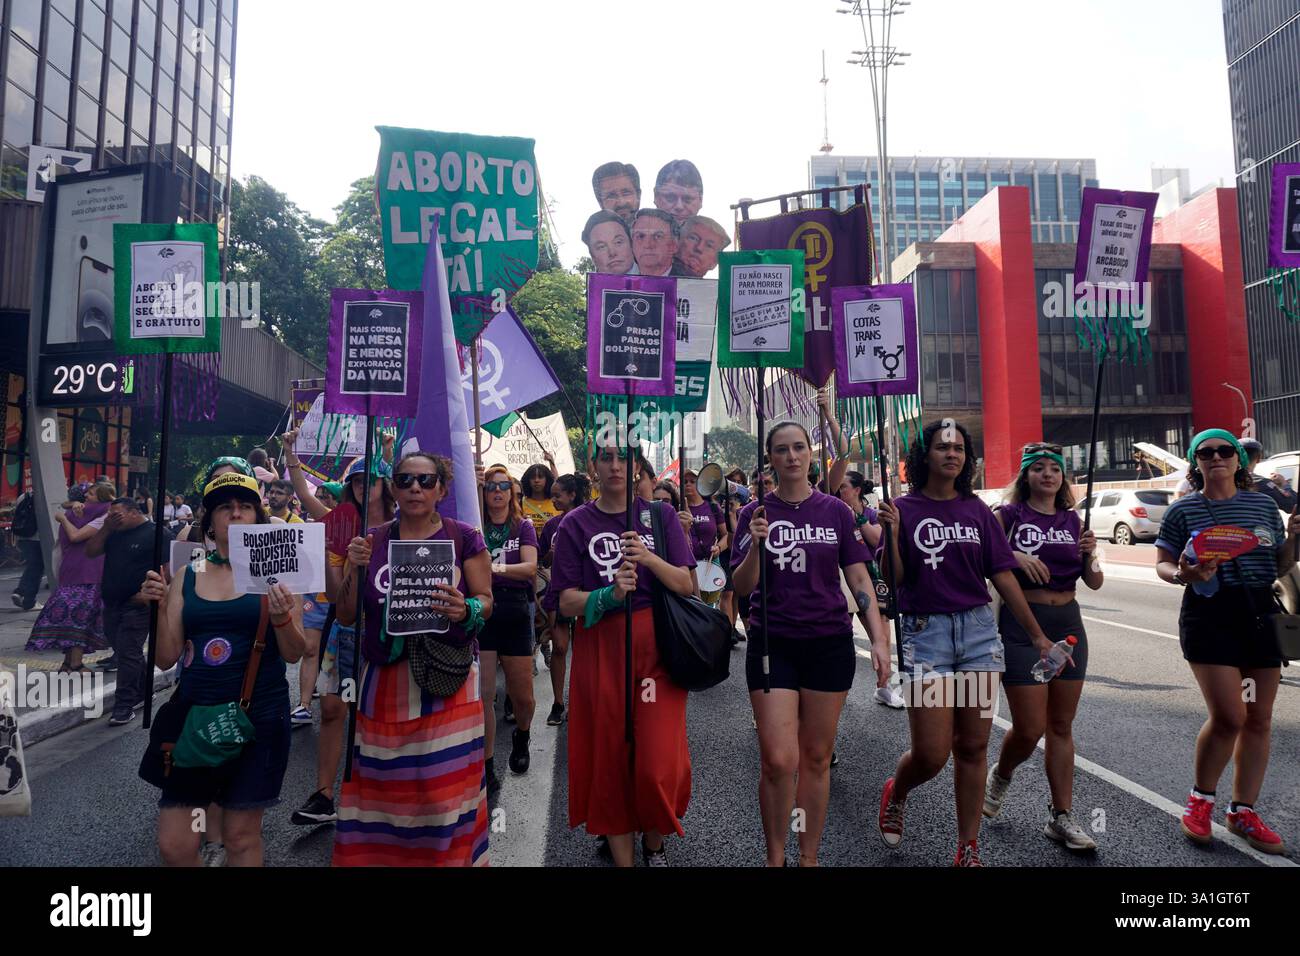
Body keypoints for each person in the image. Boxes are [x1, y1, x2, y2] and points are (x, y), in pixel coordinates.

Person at [875, 419, 1053, 867]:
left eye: (958, 448)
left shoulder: (978, 512)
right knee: (932, 755)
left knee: (973, 747)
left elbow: (1002, 574)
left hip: (976, 636)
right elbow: (893, 581)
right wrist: (893, 534)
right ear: (925, 456)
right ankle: (898, 790)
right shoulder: (903, 508)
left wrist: (1036, 635)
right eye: (941, 447)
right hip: (927, 636)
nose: (951, 454)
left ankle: (968, 848)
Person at [731, 422, 891, 866]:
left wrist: (879, 640)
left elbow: (859, 577)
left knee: (816, 759)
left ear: (810, 454)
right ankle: (775, 856)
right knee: (780, 761)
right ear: (771, 458)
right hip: (772, 644)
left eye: (799, 448)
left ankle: (808, 857)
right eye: (782, 450)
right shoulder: (754, 514)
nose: (792, 456)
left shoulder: (836, 511)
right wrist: (755, 550)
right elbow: (740, 585)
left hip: (828, 643)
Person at [332, 452, 493, 866]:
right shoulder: (372, 541)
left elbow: (486, 602)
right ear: (393, 488)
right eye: (404, 480)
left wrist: (466, 610)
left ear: (441, 488)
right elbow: (347, 614)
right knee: (385, 801)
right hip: (382, 688)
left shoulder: (464, 538)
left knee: (443, 802)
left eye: (425, 480)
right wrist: (353, 566)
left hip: (448, 683)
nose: (415, 488)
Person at [142, 471, 305, 866]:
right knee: (177, 844)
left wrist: (283, 617)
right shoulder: (187, 576)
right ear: (210, 521)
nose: (235, 513)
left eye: (245, 506)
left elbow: (295, 652)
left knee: (240, 836)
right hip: (196, 720)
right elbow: (165, 658)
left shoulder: (278, 571)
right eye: (224, 507)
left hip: (260, 719)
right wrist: (159, 607)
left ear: (258, 518)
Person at [548, 441, 695, 866]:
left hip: (656, 655)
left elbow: (687, 585)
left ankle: (654, 842)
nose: (615, 465)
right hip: (600, 651)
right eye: (606, 457)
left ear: (636, 466)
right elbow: (562, 602)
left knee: (656, 764)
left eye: (624, 457)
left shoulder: (659, 516)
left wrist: (648, 559)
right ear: (593, 467)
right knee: (608, 759)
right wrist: (609, 595)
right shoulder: (575, 524)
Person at [1154, 429, 1298, 855]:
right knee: (1230, 716)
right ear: (1196, 463)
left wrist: (1294, 540)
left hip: (1258, 615)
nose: (1215, 457)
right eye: (1205, 452)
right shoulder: (1183, 510)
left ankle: (1242, 812)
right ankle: (1200, 801)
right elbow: (1162, 563)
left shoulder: (1263, 505)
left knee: (1258, 718)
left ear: (1239, 461)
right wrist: (1183, 574)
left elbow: (1280, 564)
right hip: (1210, 616)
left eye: (1224, 451)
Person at [983, 442, 1104, 851]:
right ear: (1026, 475)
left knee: (1061, 725)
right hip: (1020, 625)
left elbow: (1094, 582)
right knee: (1030, 728)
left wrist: (1091, 557)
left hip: (1068, 624)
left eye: (1055, 468)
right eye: (1039, 468)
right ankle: (1001, 773)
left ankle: (1061, 817)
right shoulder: (1009, 515)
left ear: (1063, 477)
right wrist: (1013, 555)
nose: (1048, 475)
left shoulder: (1075, 519)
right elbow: (983, 556)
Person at [287, 449, 396, 828]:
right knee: (334, 708)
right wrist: (341, 559)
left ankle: (379, 795)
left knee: (381, 713)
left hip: (392, 633)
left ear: (386, 485)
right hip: (348, 631)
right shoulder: (342, 524)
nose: (366, 487)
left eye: (373, 480)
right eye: (358, 481)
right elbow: (335, 597)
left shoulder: (406, 523)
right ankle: (323, 795)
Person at [479, 464, 540, 794]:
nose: (497, 491)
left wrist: (494, 567)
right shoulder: (475, 525)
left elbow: (530, 568)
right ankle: (487, 763)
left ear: (512, 492)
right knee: (484, 695)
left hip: (516, 609)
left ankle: (523, 734)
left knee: (522, 696)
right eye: (490, 486)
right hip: (485, 609)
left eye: (503, 486)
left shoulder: (523, 526)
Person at [85, 496, 163, 726]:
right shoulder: (113, 533)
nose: (112, 518)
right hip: (112, 603)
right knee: (124, 650)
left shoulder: (155, 533)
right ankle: (142, 691)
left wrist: (150, 595)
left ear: (133, 512)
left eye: (116, 514)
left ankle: (124, 705)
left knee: (128, 652)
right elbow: (91, 551)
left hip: (138, 605)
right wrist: (107, 527)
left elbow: (169, 568)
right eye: (110, 515)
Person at [25, 483, 114, 672]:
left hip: (76, 572)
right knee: (80, 618)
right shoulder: (85, 512)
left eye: (91, 494)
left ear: (102, 498)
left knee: (73, 618)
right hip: (87, 574)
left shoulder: (98, 515)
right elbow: (74, 532)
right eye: (87, 493)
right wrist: (65, 515)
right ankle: (75, 663)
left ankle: (69, 662)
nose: (87, 496)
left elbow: (75, 535)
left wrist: (62, 518)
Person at [836, 470, 902, 709]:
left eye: (844, 487)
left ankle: (884, 688)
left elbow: (877, 539)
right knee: (840, 639)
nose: (840, 491)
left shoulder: (871, 513)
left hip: (870, 581)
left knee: (881, 636)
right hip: (841, 580)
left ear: (856, 490)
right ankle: (836, 690)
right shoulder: (832, 511)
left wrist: (858, 517)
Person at [538, 472, 590, 727]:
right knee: (559, 647)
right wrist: (551, 553)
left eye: (558, 495)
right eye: (553, 495)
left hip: (584, 592)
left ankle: (580, 700)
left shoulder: (591, 521)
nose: (554, 499)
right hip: (557, 592)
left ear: (572, 495)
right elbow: (542, 561)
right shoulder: (550, 526)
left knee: (583, 649)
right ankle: (558, 703)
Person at [1240, 438, 1297, 514]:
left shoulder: (1224, 480)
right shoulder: (1263, 483)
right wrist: (1284, 484)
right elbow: (1291, 505)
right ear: (1259, 458)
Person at [11, 489, 44, 611]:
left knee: (32, 566)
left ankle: (20, 591)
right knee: (37, 569)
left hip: (22, 536)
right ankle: (29, 601)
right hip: (37, 537)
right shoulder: (44, 497)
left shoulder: (22, 496)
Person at [631, 208, 685, 277]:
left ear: (674, 245)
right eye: (640, 236)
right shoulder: (622, 282)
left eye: (658, 236)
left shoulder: (690, 284)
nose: (648, 245)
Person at [653, 159, 704, 227]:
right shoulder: (636, 235)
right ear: (656, 197)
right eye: (670, 198)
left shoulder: (716, 236)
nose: (679, 206)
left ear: (700, 200)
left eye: (687, 199)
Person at [521, 460, 559, 535]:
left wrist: (552, 463)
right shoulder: (520, 503)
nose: (536, 480)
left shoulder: (557, 502)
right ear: (527, 480)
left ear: (547, 479)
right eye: (533, 477)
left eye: (540, 477)